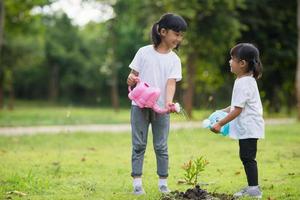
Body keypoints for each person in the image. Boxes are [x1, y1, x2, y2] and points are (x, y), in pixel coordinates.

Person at [126, 13, 187, 195]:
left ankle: (163, 183)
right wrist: (130, 79)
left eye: (181, 35)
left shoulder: (174, 59)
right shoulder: (143, 52)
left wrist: (168, 102)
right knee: (139, 144)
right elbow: (132, 76)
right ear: (162, 32)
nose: (179, 38)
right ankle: (137, 182)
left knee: (161, 146)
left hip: (161, 108)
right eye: (176, 34)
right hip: (140, 106)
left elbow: (171, 83)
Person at [211, 43, 264, 199]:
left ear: (242, 63)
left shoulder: (244, 83)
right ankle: (252, 187)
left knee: (247, 157)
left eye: (232, 58)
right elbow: (236, 105)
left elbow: (238, 110)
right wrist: (222, 111)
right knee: (246, 156)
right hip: (248, 126)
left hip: (249, 127)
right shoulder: (245, 80)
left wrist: (220, 123)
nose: (229, 61)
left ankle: (254, 190)